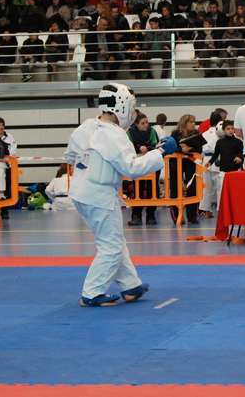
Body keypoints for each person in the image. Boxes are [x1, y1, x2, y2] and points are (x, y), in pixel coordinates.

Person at [64, 83, 178, 307]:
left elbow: (69, 155)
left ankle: (130, 285)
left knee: (113, 240)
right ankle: (92, 292)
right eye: (132, 107)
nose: (133, 112)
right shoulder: (114, 135)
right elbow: (132, 168)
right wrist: (160, 152)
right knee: (111, 246)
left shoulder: (86, 126)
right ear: (122, 105)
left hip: (81, 191)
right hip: (99, 195)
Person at [126, 113, 160, 226]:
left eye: (147, 122)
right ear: (136, 124)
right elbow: (128, 146)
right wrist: (139, 148)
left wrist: (148, 148)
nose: (146, 125)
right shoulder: (130, 132)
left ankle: (151, 215)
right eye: (143, 123)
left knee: (152, 188)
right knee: (137, 189)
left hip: (152, 163)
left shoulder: (152, 131)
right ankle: (136, 216)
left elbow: (156, 145)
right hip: (137, 164)